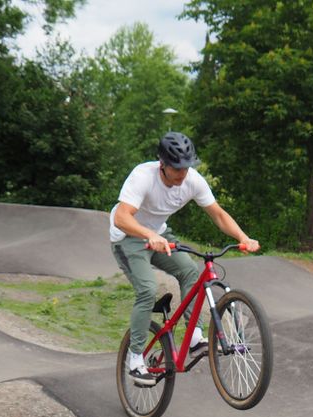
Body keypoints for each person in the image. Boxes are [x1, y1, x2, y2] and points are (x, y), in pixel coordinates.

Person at [110, 132, 259, 386]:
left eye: (186, 167)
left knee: (191, 271)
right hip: (128, 237)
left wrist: (243, 237)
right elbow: (121, 217)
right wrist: (148, 234)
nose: (182, 174)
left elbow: (218, 214)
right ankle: (135, 359)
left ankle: (194, 338)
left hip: (159, 235)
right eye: (177, 168)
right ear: (163, 164)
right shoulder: (142, 176)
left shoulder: (193, 180)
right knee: (147, 290)